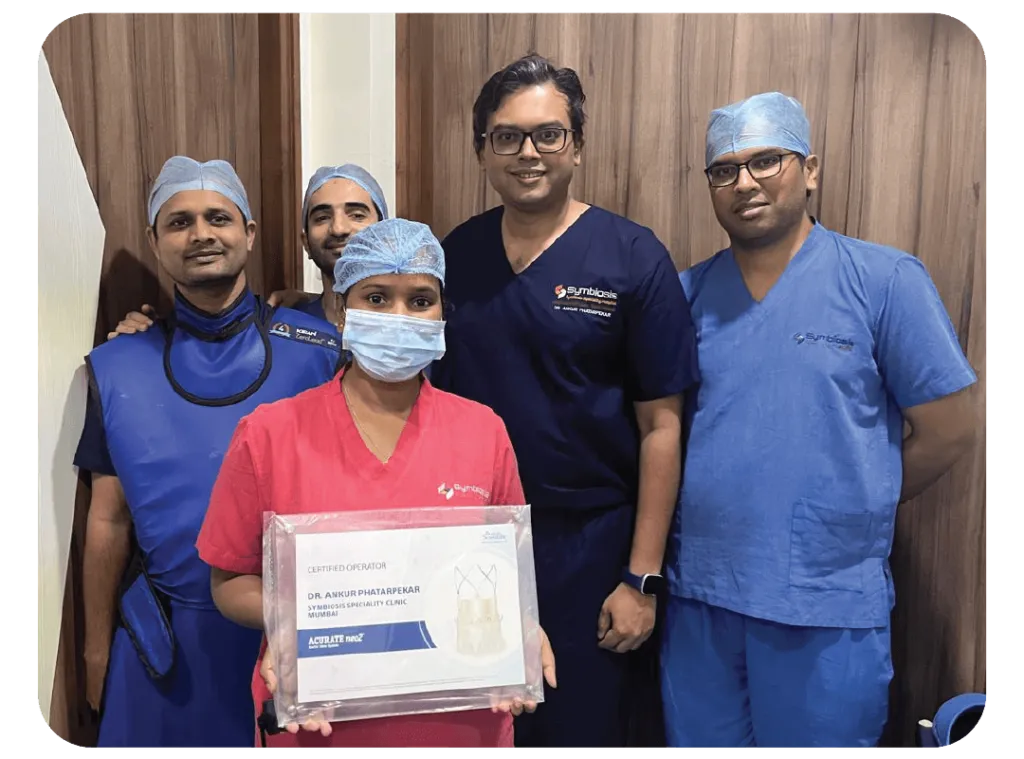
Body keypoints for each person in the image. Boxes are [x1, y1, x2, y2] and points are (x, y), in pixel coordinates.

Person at [660, 92, 979, 749]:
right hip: (702, 601)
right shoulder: (685, 297)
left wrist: (855, 496)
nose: (744, 182)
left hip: (826, 607)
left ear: (810, 170)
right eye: (724, 169)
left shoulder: (884, 281)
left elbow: (951, 429)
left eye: (765, 161)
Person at [193, 217, 557, 749]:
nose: (399, 316)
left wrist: (521, 630)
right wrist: (300, 621)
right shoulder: (269, 434)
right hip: (319, 724)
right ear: (342, 310)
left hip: (461, 725)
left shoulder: (483, 432)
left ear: (442, 313)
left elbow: (506, 577)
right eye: (377, 298)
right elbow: (229, 582)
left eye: (420, 301)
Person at [428, 54, 700, 748]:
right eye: (507, 136)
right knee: (480, 728)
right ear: (481, 150)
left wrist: (640, 578)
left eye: (548, 134)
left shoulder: (632, 257)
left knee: (578, 727)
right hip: (474, 543)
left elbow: (662, 426)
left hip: (592, 549)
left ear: (576, 145)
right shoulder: (455, 256)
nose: (529, 152)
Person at [75, 156, 345, 749]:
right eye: (179, 222)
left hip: (298, 637)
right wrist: (95, 651)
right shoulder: (115, 368)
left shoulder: (324, 354)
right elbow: (107, 520)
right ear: (154, 242)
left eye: (218, 218)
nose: (201, 234)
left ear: (249, 233)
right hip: (164, 651)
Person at [105, 163, 387, 339]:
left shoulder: (411, 323)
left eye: (357, 214)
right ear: (305, 242)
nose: (339, 228)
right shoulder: (292, 325)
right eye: (322, 217)